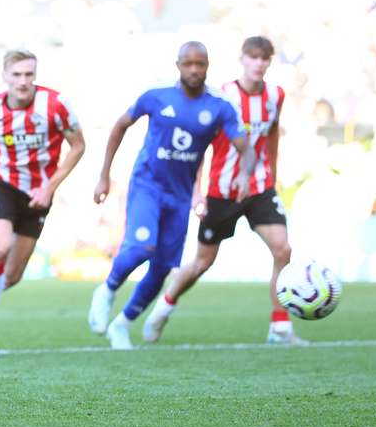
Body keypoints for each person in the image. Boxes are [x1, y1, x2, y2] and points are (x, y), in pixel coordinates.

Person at [88, 41, 255, 349]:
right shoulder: (156, 97)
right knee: (142, 247)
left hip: (179, 197)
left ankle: (122, 324)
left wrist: (245, 174)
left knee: (163, 268)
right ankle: (107, 290)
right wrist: (104, 175)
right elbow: (119, 126)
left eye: (200, 64)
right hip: (147, 185)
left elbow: (246, 148)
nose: (194, 69)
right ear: (178, 65)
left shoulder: (219, 107)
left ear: (207, 66)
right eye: (188, 64)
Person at [144, 36, 299, 345]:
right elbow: (202, 143)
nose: (259, 63)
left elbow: (271, 135)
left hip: (259, 187)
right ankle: (163, 307)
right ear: (242, 59)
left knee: (283, 249)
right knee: (203, 262)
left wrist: (273, 176)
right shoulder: (222, 96)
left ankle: (280, 328)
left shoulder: (275, 95)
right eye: (253, 57)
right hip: (221, 190)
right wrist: (197, 191)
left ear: (270, 62)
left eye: (265, 58)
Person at [0, 49, 85, 359]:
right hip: (5, 185)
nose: (23, 81)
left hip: (40, 193)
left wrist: (50, 187)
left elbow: (78, 146)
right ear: (5, 77)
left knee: (11, 276)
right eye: (17, 75)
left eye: (29, 74)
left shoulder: (55, 105)